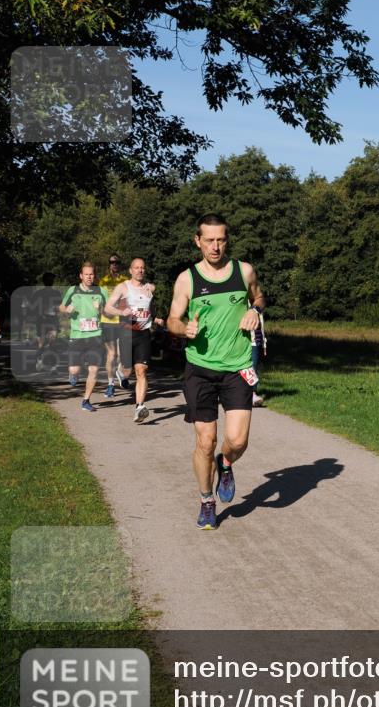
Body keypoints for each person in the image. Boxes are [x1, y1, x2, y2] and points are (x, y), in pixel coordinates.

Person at [167, 213, 265, 530]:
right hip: (200, 369)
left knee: (236, 442)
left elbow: (260, 295)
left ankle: (225, 464)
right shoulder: (187, 279)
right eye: (209, 240)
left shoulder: (244, 271)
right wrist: (184, 328)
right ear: (198, 241)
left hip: (237, 369)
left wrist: (254, 310)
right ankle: (207, 501)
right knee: (205, 442)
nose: (215, 246)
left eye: (221, 239)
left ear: (227, 239)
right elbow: (171, 320)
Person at [104, 257, 164, 423]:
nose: (140, 270)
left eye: (142, 268)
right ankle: (119, 371)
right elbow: (107, 307)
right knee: (127, 370)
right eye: (136, 268)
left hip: (144, 333)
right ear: (130, 270)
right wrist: (120, 312)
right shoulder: (123, 287)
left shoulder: (149, 289)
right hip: (126, 333)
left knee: (142, 370)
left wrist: (156, 318)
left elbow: (149, 309)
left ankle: (139, 407)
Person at [60, 262, 106, 412]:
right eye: (86, 274)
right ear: (81, 276)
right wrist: (67, 310)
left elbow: (109, 311)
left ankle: (86, 400)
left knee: (94, 370)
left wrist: (102, 310)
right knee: (74, 370)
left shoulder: (100, 291)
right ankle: (72, 374)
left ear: (94, 275)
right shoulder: (73, 290)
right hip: (77, 336)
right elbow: (61, 307)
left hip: (95, 335)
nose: (89, 277)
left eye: (91, 274)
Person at [99, 253, 129, 397]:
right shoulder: (103, 281)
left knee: (124, 355)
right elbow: (100, 302)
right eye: (111, 262)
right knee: (112, 354)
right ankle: (110, 385)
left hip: (123, 321)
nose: (114, 265)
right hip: (108, 322)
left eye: (116, 262)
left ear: (120, 264)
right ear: (109, 264)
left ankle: (119, 372)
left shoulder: (126, 281)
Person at [35, 273, 62, 371]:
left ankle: (52, 365)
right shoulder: (38, 293)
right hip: (41, 320)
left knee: (52, 342)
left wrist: (58, 312)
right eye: (49, 279)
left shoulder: (57, 293)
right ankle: (39, 360)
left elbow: (60, 307)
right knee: (41, 344)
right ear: (44, 281)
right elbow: (33, 308)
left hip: (53, 320)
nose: (51, 281)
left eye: (52, 279)